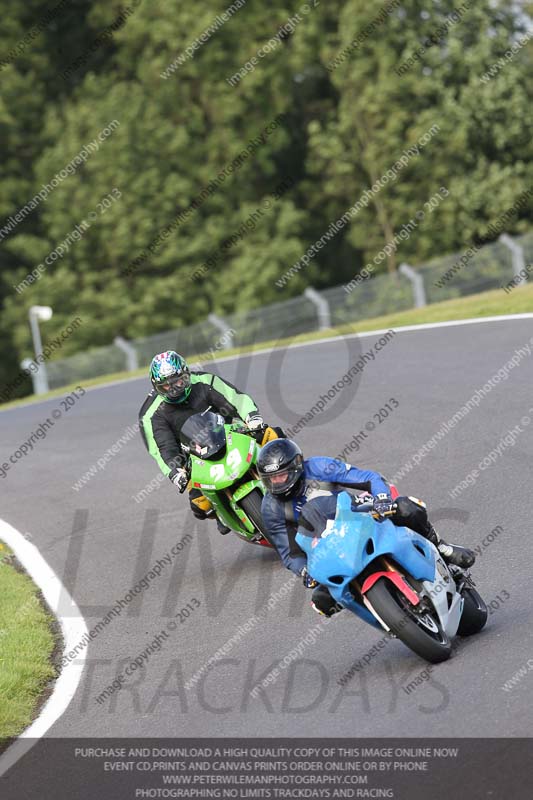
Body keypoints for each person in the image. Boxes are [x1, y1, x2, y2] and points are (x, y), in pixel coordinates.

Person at [257, 439, 475, 617]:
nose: (277, 483)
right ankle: (380, 611)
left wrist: (381, 497)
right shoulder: (270, 508)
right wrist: (304, 570)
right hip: (328, 546)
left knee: (407, 508)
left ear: (296, 466)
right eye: (271, 479)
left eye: (280, 476)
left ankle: (442, 547)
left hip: (356, 515)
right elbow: (288, 552)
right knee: (321, 601)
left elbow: (367, 478)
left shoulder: (318, 467)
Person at [139, 350, 276, 532]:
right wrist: (175, 472)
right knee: (200, 505)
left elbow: (237, 399)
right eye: (167, 386)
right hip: (195, 457)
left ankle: (299, 475)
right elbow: (162, 448)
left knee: (271, 435)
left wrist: (252, 418)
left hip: (230, 435)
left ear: (187, 374)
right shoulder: (151, 414)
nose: (175, 388)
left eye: (179, 381)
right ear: (156, 387)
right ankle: (221, 513)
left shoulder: (204, 381)